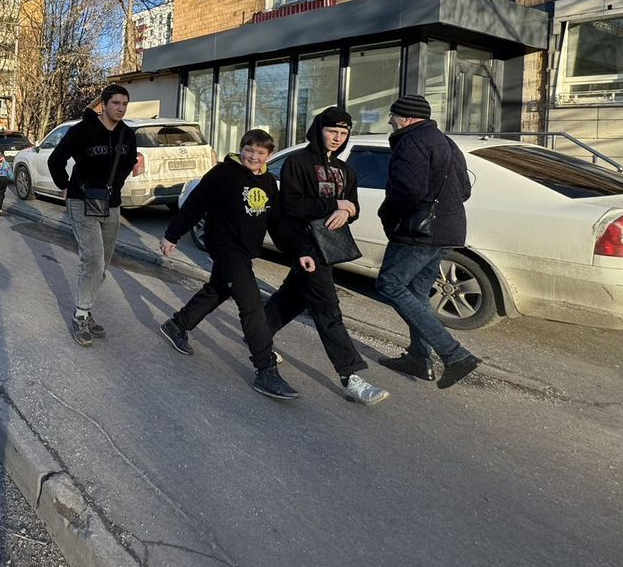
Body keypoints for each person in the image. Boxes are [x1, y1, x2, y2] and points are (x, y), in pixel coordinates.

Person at [158, 129, 301, 400]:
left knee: (219, 289)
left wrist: (298, 251)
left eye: (260, 153)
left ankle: (177, 325)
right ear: (242, 149)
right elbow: (195, 204)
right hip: (224, 246)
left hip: (245, 251)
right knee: (251, 303)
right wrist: (172, 234)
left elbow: (277, 222)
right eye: (249, 150)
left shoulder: (269, 182)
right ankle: (265, 370)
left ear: (269, 156)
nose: (253, 156)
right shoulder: (224, 174)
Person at [264, 107, 389, 406]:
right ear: (319, 130)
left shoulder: (347, 170)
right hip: (305, 244)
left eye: (343, 133)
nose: (337, 138)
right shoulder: (297, 162)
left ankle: (258, 332)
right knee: (327, 307)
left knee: (293, 297)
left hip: (329, 245)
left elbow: (353, 207)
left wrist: (348, 210)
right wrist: (336, 203)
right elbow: (293, 205)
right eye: (332, 131)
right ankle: (351, 377)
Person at [375, 94, 480, 389]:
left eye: (393, 115)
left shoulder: (411, 142)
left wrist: (388, 215)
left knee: (390, 284)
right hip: (447, 231)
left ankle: (454, 354)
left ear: (407, 117)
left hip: (417, 231)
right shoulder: (446, 141)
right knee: (417, 292)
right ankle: (420, 359)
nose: (390, 121)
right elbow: (465, 190)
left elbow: (407, 191)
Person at [48, 84, 138, 347]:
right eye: (116, 103)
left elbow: (129, 162)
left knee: (103, 263)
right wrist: (66, 186)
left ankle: (86, 309)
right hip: (81, 201)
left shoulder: (128, 135)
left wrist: (114, 187)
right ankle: (80, 314)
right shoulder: (82, 131)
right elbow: (56, 160)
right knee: (93, 259)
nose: (120, 108)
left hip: (111, 204)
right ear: (104, 105)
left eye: (124, 104)